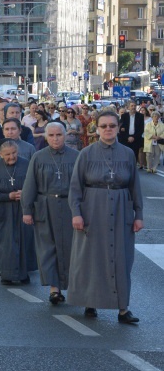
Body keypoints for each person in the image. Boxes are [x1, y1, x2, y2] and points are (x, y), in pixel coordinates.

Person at [68, 110, 144, 323]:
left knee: (121, 258)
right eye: (104, 126)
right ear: (97, 128)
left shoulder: (128, 153)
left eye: (112, 125)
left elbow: (135, 187)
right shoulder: (86, 153)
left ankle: (123, 308)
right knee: (92, 257)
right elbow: (75, 188)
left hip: (121, 208)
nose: (108, 129)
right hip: (92, 207)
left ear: (118, 127)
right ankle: (90, 302)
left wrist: (138, 215)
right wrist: (76, 214)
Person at [21, 123, 78, 303]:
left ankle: (74, 288)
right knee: (48, 248)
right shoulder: (38, 157)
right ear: (46, 137)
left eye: (59, 135)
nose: (55, 138)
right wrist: (27, 210)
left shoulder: (77, 157)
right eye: (51, 135)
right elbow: (30, 185)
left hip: (70, 207)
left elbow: (83, 186)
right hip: (45, 206)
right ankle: (54, 288)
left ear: (65, 135)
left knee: (71, 248)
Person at [0, 138, 36, 285]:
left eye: (14, 153)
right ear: (0, 155)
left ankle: (23, 273)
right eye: (7, 154)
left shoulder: (26, 164)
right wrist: (8, 196)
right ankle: (7, 274)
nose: (11, 157)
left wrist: (25, 193)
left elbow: (35, 185)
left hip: (23, 209)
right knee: (6, 243)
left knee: (24, 240)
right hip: (3, 210)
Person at [118, 100, 145, 167]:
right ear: (128, 107)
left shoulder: (140, 116)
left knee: (134, 154)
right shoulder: (124, 116)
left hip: (135, 139)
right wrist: (127, 137)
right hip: (125, 139)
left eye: (134, 106)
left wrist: (134, 137)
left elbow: (141, 129)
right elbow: (121, 129)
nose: (133, 107)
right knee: (125, 154)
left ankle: (133, 169)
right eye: (132, 106)